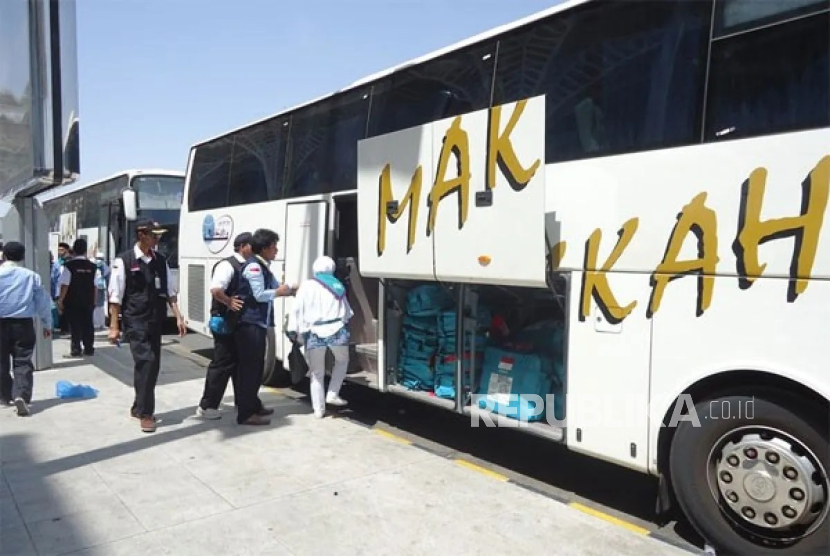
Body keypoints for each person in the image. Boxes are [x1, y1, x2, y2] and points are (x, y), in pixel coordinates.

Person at [107, 218, 187, 433]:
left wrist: (178, 316)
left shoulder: (161, 260)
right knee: (146, 362)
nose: (157, 239)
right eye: (154, 235)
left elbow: (170, 291)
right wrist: (114, 326)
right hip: (135, 320)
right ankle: (146, 413)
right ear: (141, 234)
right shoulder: (124, 261)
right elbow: (115, 296)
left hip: (155, 320)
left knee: (150, 367)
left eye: (159, 235)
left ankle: (137, 405)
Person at [196, 232, 265, 420]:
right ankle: (208, 406)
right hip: (226, 322)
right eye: (252, 246)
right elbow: (216, 289)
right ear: (242, 246)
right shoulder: (227, 265)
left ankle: (245, 404)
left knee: (243, 366)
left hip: (242, 324)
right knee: (222, 364)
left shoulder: (251, 266)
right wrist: (228, 302)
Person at [233, 228, 295, 426]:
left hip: (260, 323)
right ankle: (245, 413)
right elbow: (260, 294)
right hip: (250, 324)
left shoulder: (263, 266)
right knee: (250, 369)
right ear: (265, 248)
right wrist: (280, 291)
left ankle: (254, 404)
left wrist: (291, 290)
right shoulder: (254, 268)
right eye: (274, 246)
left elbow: (277, 288)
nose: (276, 250)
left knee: (256, 367)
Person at [286, 255, 353, 418]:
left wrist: (293, 329)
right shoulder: (338, 285)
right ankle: (333, 392)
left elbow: (296, 309)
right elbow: (348, 311)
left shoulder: (307, 285)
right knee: (342, 361)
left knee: (317, 373)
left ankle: (318, 410)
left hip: (315, 332)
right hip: (337, 330)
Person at [0, 241, 53, 416]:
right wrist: (47, 323)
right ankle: (21, 394)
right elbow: (42, 303)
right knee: (22, 360)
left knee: (1, 362)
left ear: (4, 255)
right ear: (23, 257)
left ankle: (4, 395)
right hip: (23, 323)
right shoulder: (31, 276)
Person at [56, 238, 100, 357]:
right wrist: (94, 301)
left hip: (72, 300)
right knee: (88, 324)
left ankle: (76, 349)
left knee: (75, 325)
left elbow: (65, 284)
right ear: (85, 250)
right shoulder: (93, 267)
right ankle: (89, 348)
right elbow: (95, 286)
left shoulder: (69, 266)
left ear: (73, 250)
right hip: (88, 300)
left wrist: (60, 300)